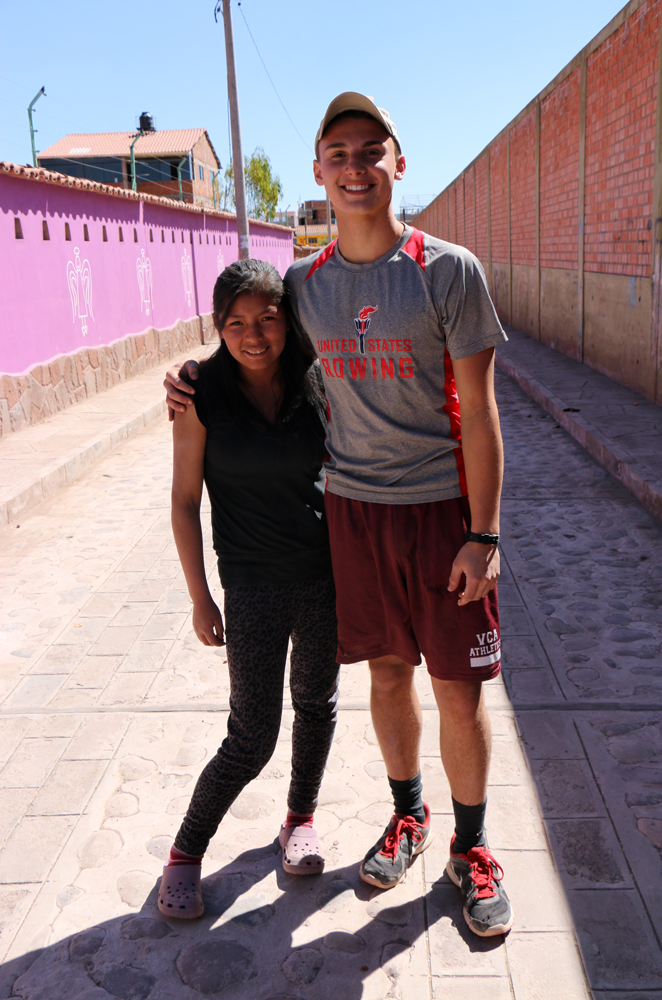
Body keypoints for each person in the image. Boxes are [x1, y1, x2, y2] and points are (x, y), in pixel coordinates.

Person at [164, 93, 513, 937]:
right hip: (351, 515)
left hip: (440, 513)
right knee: (386, 677)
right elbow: (249, 339)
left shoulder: (447, 270)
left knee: (458, 692)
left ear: (398, 162)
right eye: (338, 155)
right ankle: (408, 815)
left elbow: (481, 409)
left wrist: (484, 533)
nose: (355, 168)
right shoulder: (303, 285)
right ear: (318, 171)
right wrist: (191, 377)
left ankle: (471, 848)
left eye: (370, 151)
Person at [159, 259, 339, 919]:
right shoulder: (199, 392)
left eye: (267, 317)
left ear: (287, 319)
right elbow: (184, 502)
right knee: (252, 735)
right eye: (235, 323)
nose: (254, 335)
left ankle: (299, 821)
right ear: (217, 326)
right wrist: (200, 596)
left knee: (316, 706)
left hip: (323, 578)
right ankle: (184, 853)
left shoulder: (318, 375)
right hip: (252, 586)